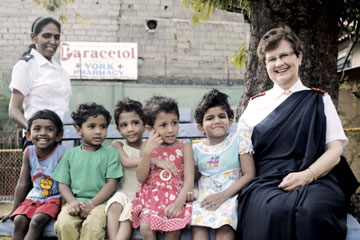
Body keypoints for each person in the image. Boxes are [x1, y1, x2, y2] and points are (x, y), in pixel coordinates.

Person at [236, 26, 359, 240]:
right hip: (267, 181)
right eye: (271, 59)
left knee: (312, 211)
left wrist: (307, 175)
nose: (279, 63)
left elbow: (335, 150)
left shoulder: (319, 100)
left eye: (284, 55)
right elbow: (243, 151)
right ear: (265, 65)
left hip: (317, 178)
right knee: (270, 210)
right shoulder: (255, 105)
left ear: (299, 57)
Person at [107, 97, 184, 240]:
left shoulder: (149, 144)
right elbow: (125, 161)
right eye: (124, 125)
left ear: (145, 126)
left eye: (135, 123)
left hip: (145, 194)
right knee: (115, 206)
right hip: (124, 191)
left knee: (127, 217)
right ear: (118, 129)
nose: (130, 129)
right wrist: (154, 160)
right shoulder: (117, 144)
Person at [190, 89, 255, 240]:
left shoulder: (239, 140)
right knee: (198, 226)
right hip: (204, 194)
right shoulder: (196, 149)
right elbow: (193, 178)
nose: (217, 121)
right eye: (210, 118)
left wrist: (223, 196)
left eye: (222, 116)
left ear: (230, 120)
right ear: (200, 127)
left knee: (225, 224)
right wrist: (193, 189)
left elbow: (250, 173)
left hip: (231, 193)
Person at [52, 103, 123, 240]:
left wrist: (91, 204)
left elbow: (111, 184)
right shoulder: (70, 155)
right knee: (64, 224)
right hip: (75, 203)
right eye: (92, 126)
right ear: (79, 130)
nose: (98, 131)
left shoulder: (110, 154)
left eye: (103, 127)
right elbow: (63, 184)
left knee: (93, 226)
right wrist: (72, 202)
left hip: (101, 204)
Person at [131, 96, 194, 240]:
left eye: (174, 123)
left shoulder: (184, 147)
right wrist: (147, 153)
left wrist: (179, 203)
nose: (171, 129)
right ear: (150, 129)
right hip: (151, 198)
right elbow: (141, 178)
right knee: (146, 228)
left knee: (173, 229)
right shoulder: (147, 147)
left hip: (175, 197)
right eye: (163, 125)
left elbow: (189, 179)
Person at [0, 110, 66, 240]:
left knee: (37, 220)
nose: (43, 133)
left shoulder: (62, 154)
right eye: (37, 129)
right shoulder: (29, 152)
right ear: (28, 135)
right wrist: (13, 210)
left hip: (54, 198)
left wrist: (63, 210)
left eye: (49, 129)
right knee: (19, 220)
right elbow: (22, 182)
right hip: (34, 198)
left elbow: (65, 183)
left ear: (58, 136)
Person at [8, 17, 71, 149]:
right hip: (37, 143)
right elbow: (13, 110)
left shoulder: (59, 69)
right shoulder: (26, 66)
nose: (53, 42)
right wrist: (35, 132)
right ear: (33, 37)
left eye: (57, 37)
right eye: (46, 36)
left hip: (60, 141)